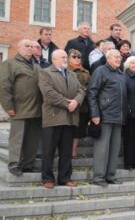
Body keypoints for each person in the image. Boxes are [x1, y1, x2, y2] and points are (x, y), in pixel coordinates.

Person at [38, 49, 85, 189]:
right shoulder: (45, 73)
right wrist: (67, 104)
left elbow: (81, 90)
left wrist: (76, 102)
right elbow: (49, 93)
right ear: (54, 60)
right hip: (53, 118)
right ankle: (47, 178)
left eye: (66, 56)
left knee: (66, 151)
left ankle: (65, 178)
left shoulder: (71, 74)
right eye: (62, 57)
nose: (66, 59)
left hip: (69, 119)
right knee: (48, 150)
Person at [0, 39, 43, 176]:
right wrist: (8, 107)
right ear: (19, 48)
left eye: (32, 46)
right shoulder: (10, 63)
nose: (30, 48)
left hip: (36, 109)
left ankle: (28, 164)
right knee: (17, 138)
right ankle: (14, 164)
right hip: (19, 108)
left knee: (32, 138)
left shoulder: (36, 65)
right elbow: (4, 86)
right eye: (26, 46)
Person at [88, 49, 127, 187]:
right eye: (115, 57)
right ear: (108, 58)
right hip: (104, 116)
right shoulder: (100, 71)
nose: (118, 59)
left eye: (120, 57)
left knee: (114, 149)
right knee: (102, 149)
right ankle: (99, 177)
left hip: (118, 117)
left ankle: (110, 175)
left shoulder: (121, 74)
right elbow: (92, 93)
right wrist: (95, 114)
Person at [67, 49, 90, 157]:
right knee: (68, 129)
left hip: (83, 106)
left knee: (78, 130)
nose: (76, 59)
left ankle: (73, 151)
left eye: (78, 57)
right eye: (74, 57)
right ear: (68, 58)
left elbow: (89, 86)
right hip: (69, 103)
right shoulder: (66, 70)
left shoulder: (85, 72)